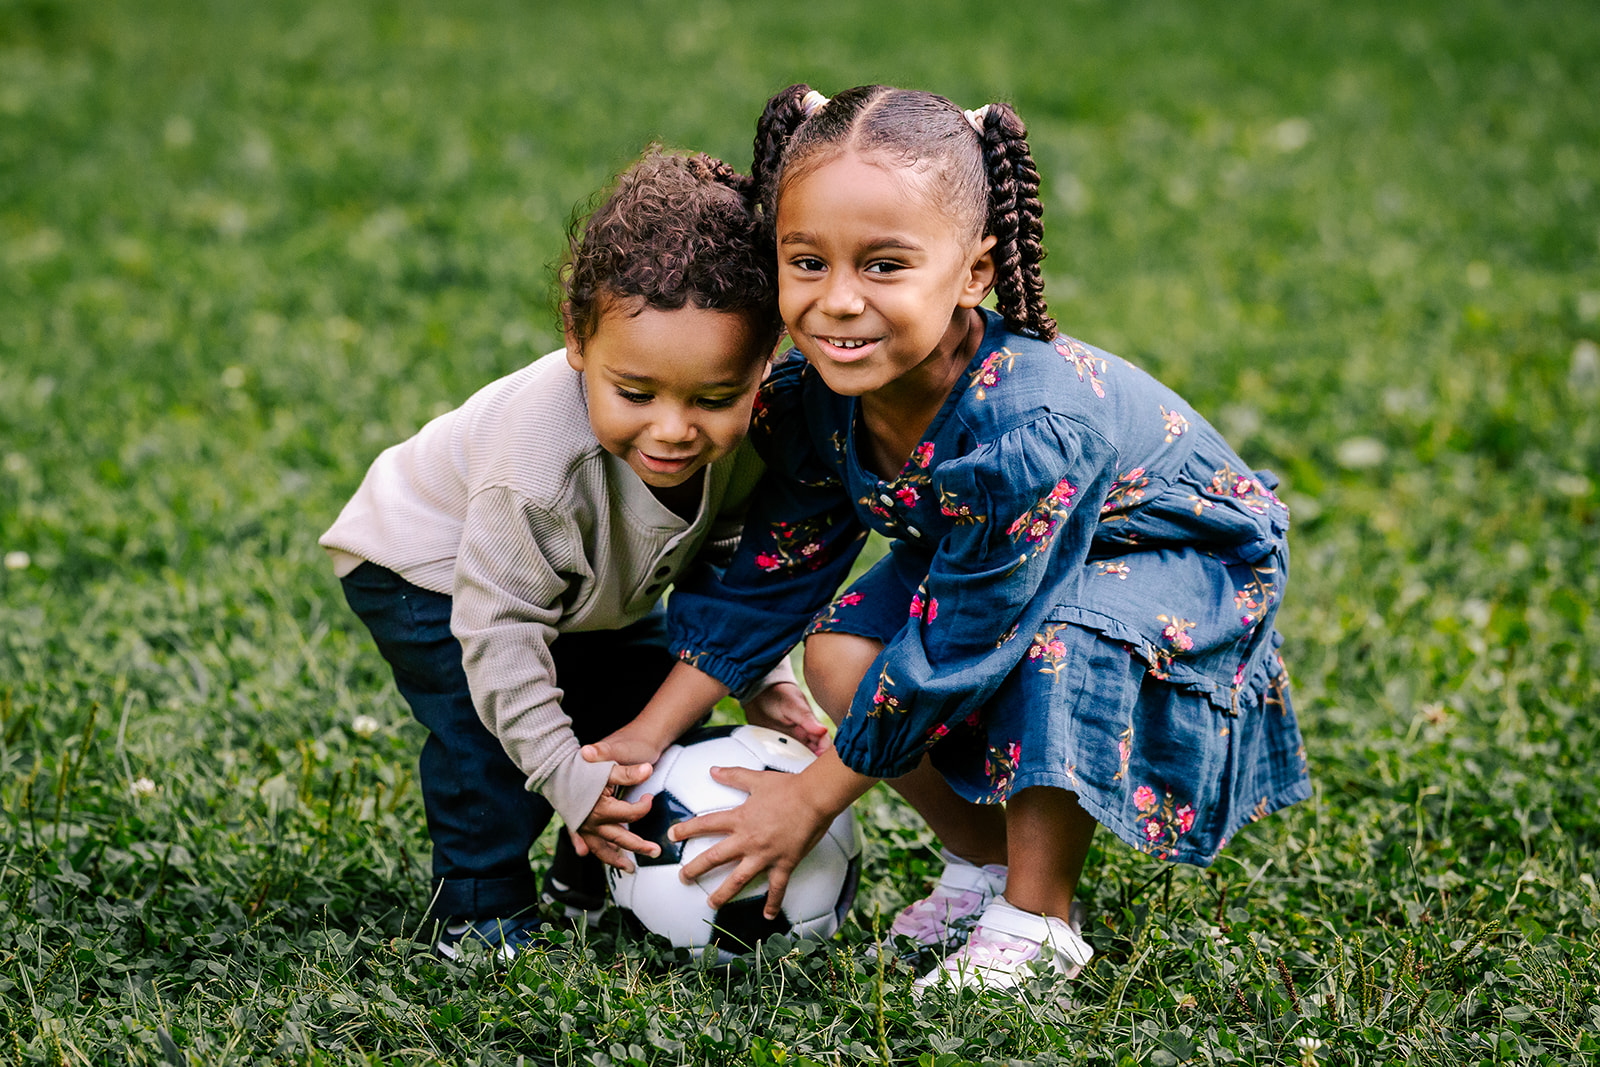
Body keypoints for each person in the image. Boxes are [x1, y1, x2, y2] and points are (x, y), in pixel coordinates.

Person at [586, 85, 1311, 993]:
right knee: (845, 655)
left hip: (1169, 551)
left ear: (974, 272)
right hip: (997, 554)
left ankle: (1039, 918)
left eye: (884, 265)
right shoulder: (820, 396)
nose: (838, 302)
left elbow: (964, 642)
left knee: (1057, 643)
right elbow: (774, 576)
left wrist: (810, 798)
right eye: (806, 261)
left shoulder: (1030, 428)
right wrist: (649, 734)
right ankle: (984, 865)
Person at [320, 148, 827, 960]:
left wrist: (763, 677)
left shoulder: (754, 436)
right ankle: (480, 912)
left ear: (766, 363)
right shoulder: (538, 474)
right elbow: (499, 636)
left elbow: (725, 562)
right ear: (576, 340)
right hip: (429, 569)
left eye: (714, 398)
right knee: (486, 735)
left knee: (645, 702)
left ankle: (590, 875)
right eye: (636, 393)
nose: (673, 429)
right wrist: (564, 772)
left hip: (582, 589)